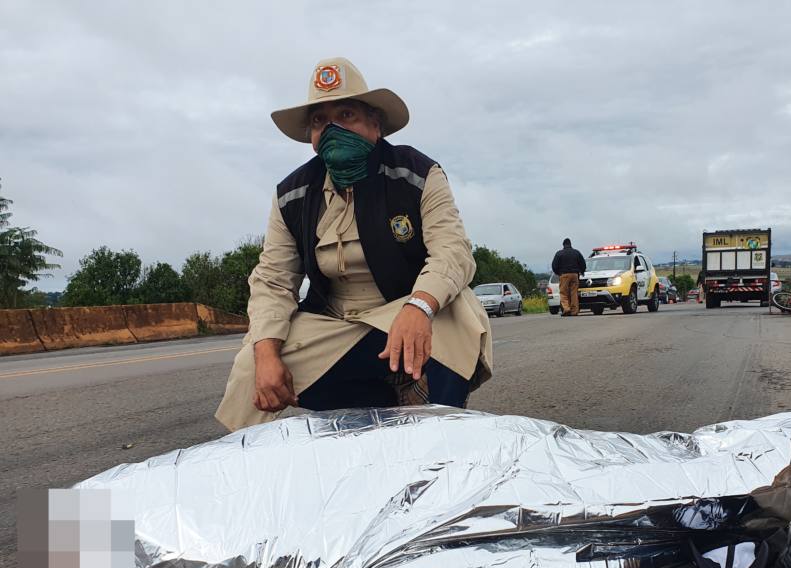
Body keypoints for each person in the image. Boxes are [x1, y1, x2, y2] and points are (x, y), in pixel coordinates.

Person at [215, 57, 492, 431]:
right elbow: (273, 279)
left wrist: (418, 308)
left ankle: (439, 439)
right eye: (319, 122)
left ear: (374, 125)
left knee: (458, 312)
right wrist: (265, 351)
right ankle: (256, 473)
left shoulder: (417, 172)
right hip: (334, 322)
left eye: (346, 115)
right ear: (311, 138)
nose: (332, 130)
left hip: (403, 308)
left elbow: (453, 252)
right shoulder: (292, 195)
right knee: (254, 363)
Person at [551, 238, 586, 316]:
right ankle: (574, 311)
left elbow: (554, 265)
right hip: (575, 275)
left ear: (563, 245)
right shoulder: (576, 252)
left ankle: (566, 309)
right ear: (570, 244)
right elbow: (583, 263)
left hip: (564, 275)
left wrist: (558, 273)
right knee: (574, 293)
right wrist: (582, 271)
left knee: (563, 293)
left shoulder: (559, 253)